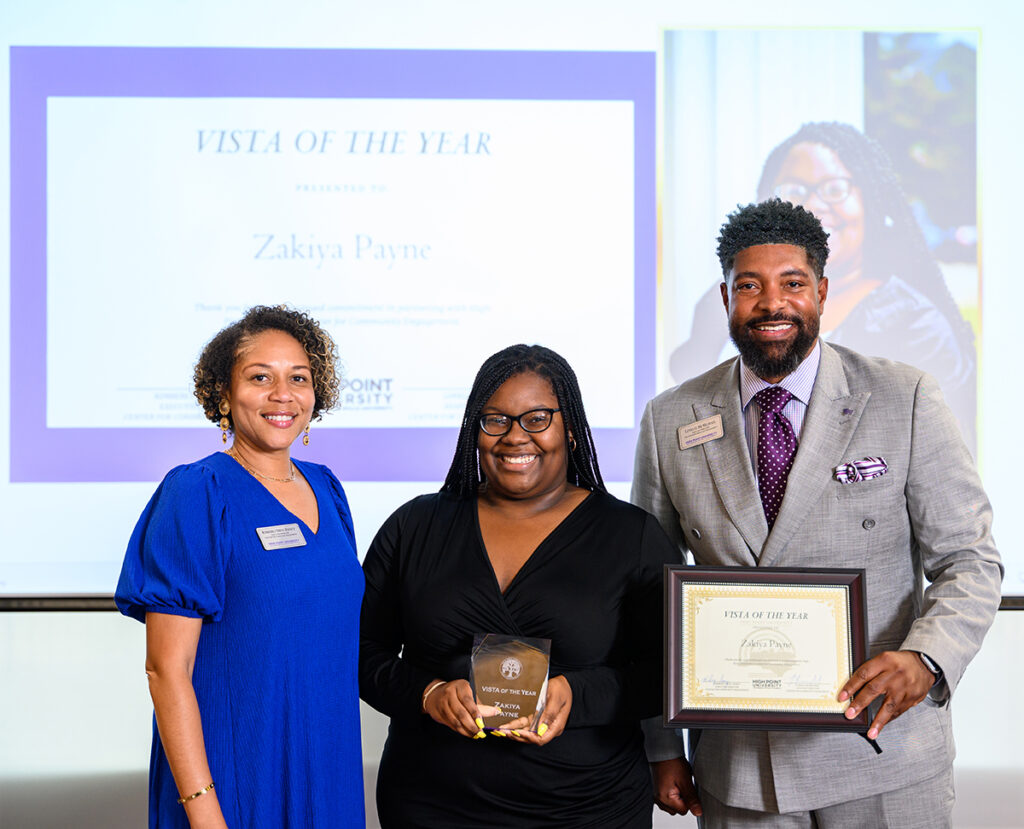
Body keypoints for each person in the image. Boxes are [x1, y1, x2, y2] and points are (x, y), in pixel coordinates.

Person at [634, 199, 1002, 827]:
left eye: (792, 283)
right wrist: (661, 748)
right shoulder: (673, 418)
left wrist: (928, 658)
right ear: (725, 298)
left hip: (883, 752)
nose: (771, 304)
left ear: (823, 292)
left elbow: (970, 561)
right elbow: (646, 595)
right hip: (739, 767)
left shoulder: (903, 397)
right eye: (749, 286)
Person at [359, 344, 678, 828]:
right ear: (475, 429)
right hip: (432, 802)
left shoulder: (631, 536)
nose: (514, 437)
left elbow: (674, 669)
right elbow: (359, 650)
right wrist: (428, 693)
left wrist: (579, 692)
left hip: (587, 805)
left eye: (536, 419)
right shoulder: (414, 526)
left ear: (569, 429)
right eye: (496, 420)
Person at [115, 305, 365, 828]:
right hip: (236, 780)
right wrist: (206, 813)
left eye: (298, 378)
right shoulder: (197, 492)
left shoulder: (328, 488)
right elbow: (167, 670)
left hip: (330, 773)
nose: (283, 394)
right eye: (259, 378)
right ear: (223, 396)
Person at [670, 122, 977, 450]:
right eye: (794, 190)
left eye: (835, 189)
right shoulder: (723, 305)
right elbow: (687, 417)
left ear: (869, 201)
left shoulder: (916, 326)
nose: (813, 207)